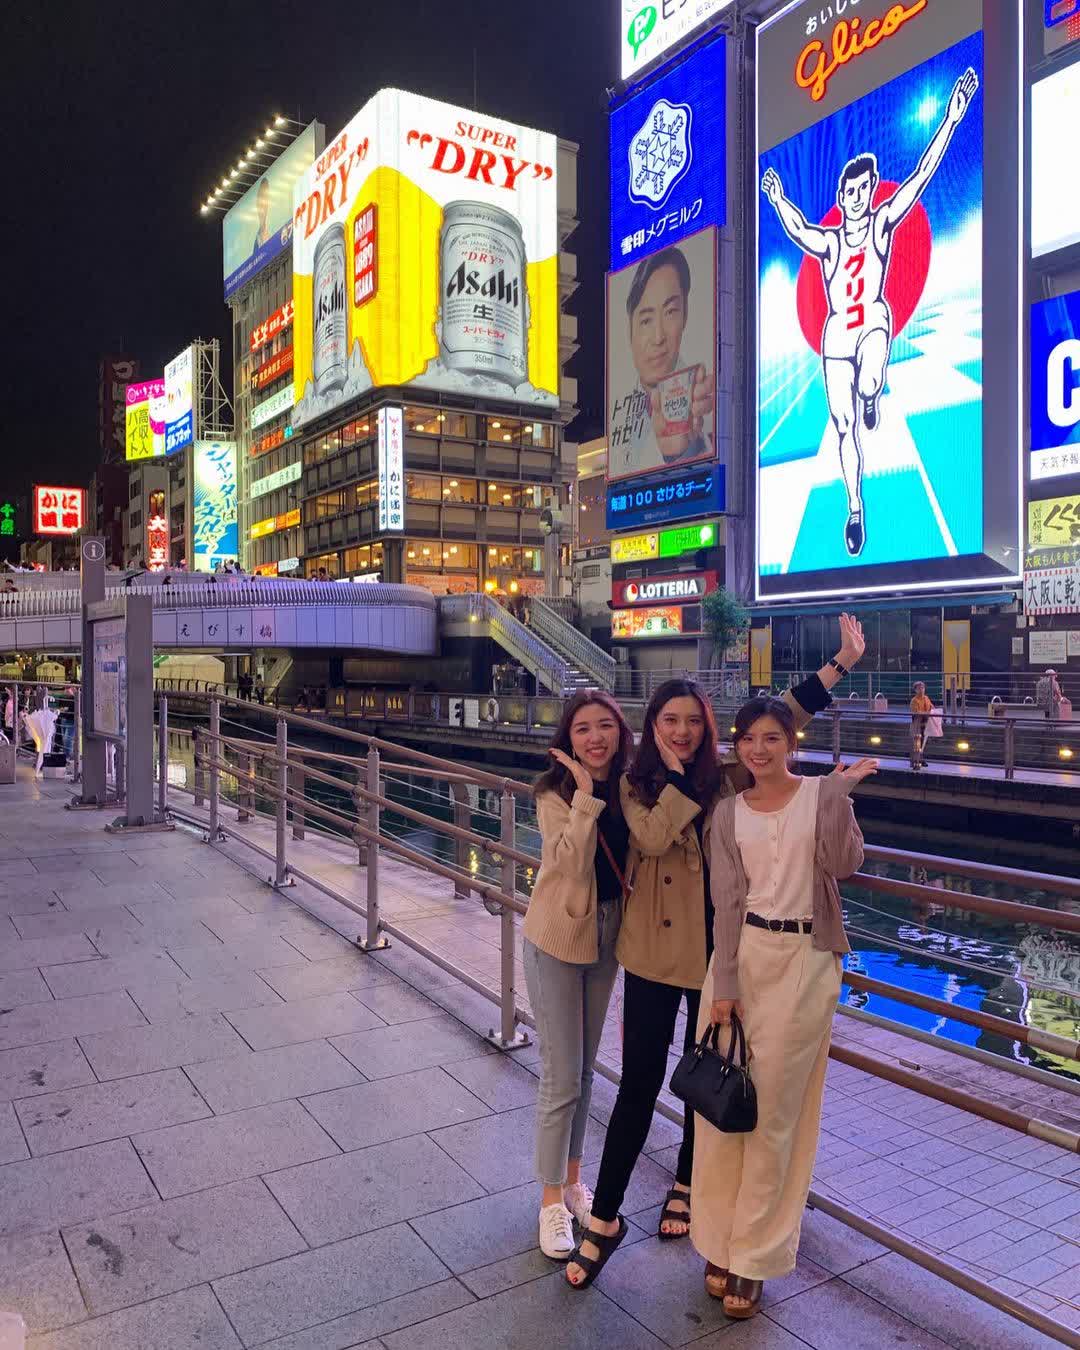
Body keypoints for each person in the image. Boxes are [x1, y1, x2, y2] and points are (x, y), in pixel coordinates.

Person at [566, 615, 867, 1289]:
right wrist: (675, 780)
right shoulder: (638, 781)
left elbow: (781, 717)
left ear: (707, 727)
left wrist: (843, 662)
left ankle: (688, 1190)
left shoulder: (729, 777)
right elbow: (647, 840)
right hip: (650, 953)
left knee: (714, 1075)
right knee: (641, 1084)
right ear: (654, 725)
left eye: (693, 722)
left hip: (715, 952)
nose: (682, 731)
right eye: (670, 720)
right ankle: (606, 1218)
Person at [691, 698, 877, 1319]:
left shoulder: (819, 796)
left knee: (774, 1117)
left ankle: (754, 1257)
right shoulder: (726, 813)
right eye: (748, 739)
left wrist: (841, 796)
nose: (758, 750)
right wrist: (724, 981)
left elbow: (846, 866)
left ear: (791, 743)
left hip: (805, 961)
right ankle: (717, 1240)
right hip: (741, 960)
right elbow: (723, 902)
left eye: (772, 738)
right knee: (722, 1114)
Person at [761, 67, 979, 557]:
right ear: (841, 197)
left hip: (873, 320)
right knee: (843, 425)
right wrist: (776, 199)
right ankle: (856, 508)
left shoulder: (882, 224)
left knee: (866, 381)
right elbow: (799, 230)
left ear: (872, 188)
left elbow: (922, 176)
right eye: (849, 192)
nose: (856, 197)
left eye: (864, 189)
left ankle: (871, 394)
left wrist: (951, 117)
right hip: (837, 334)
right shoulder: (832, 241)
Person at [522, 692, 635, 1260]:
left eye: (605, 726)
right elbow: (567, 864)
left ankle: (573, 1183)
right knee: (560, 1076)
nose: (595, 738)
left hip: (609, 936)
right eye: (584, 728)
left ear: (619, 732)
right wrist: (586, 799)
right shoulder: (553, 792)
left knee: (586, 1073)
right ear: (569, 739)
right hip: (557, 938)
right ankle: (549, 1202)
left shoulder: (635, 786)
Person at [610, 245, 716, 478]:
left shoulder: (704, 402)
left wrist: (684, 454)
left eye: (670, 312)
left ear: (685, 315)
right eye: (646, 320)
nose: (658, 337)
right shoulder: (620, 408)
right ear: (630, 329)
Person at [909, 681, 933, 769]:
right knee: (916, 743)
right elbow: (916, 712)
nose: (921, 690)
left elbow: (932, 708)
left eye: (922, 688)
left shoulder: (926, 698)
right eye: (919, 688)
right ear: (915, 690)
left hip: (925, 723)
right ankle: (914, 761)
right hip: (917, 724)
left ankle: (921, 760)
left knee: (923, 742)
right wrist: (928, 712)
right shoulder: (914, 700)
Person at [253, 177, 273, 253]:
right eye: (260, 200)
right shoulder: (257, 240)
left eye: (265, 198)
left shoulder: (276, 230)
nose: (262, 204)